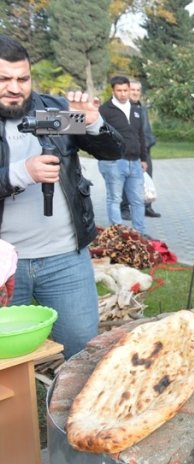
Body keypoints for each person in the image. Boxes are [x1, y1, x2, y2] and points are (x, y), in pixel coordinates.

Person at [0, 35, 123, 359]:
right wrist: (21, 173)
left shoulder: (50, 113)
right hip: (3, 267)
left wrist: (93, 122)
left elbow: (112, 151)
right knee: (5, 359)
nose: (15, 88)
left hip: (65, 260)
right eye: (4, 79)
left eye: (22, 79)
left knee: (82, 350)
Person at [98, 76, 149, 236]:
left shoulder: (136, 110)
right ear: (113, 90)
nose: (123, 94)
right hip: (113, 162)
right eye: (119, 90)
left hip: (135, 162)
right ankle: (118, 235)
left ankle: (139, 234)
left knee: (138, 200)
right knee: (114, 199)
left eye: (125, 90)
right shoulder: (105, 110)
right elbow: (97, 134)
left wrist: (144, 158)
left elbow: (141, 135)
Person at [120, 80, 159, 219]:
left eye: (138, 90)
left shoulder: (142, 108)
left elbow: (145, 129)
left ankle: (146, 206)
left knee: (147, 177)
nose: (135, 92)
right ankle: (124, 208)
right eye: (133, 90)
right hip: (129, 151)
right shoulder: (123, 108)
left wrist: (150, 141)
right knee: (126, 178)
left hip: (145, 149)